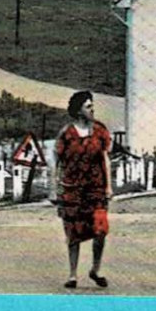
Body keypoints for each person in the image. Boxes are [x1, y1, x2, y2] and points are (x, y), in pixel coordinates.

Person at [51, 89, 113, 289]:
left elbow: (105, 158)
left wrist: (109, 186)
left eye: (92, 105)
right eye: (88, 106)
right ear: (78, 110)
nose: (92, 109)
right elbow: (56, 160)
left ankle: (96, 269)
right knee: (73, 233)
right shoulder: (67, 133)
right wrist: (54, 188)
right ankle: (72, 275)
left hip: (96, 189)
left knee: (100, 230)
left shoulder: (100, 130)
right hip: (72, 189)